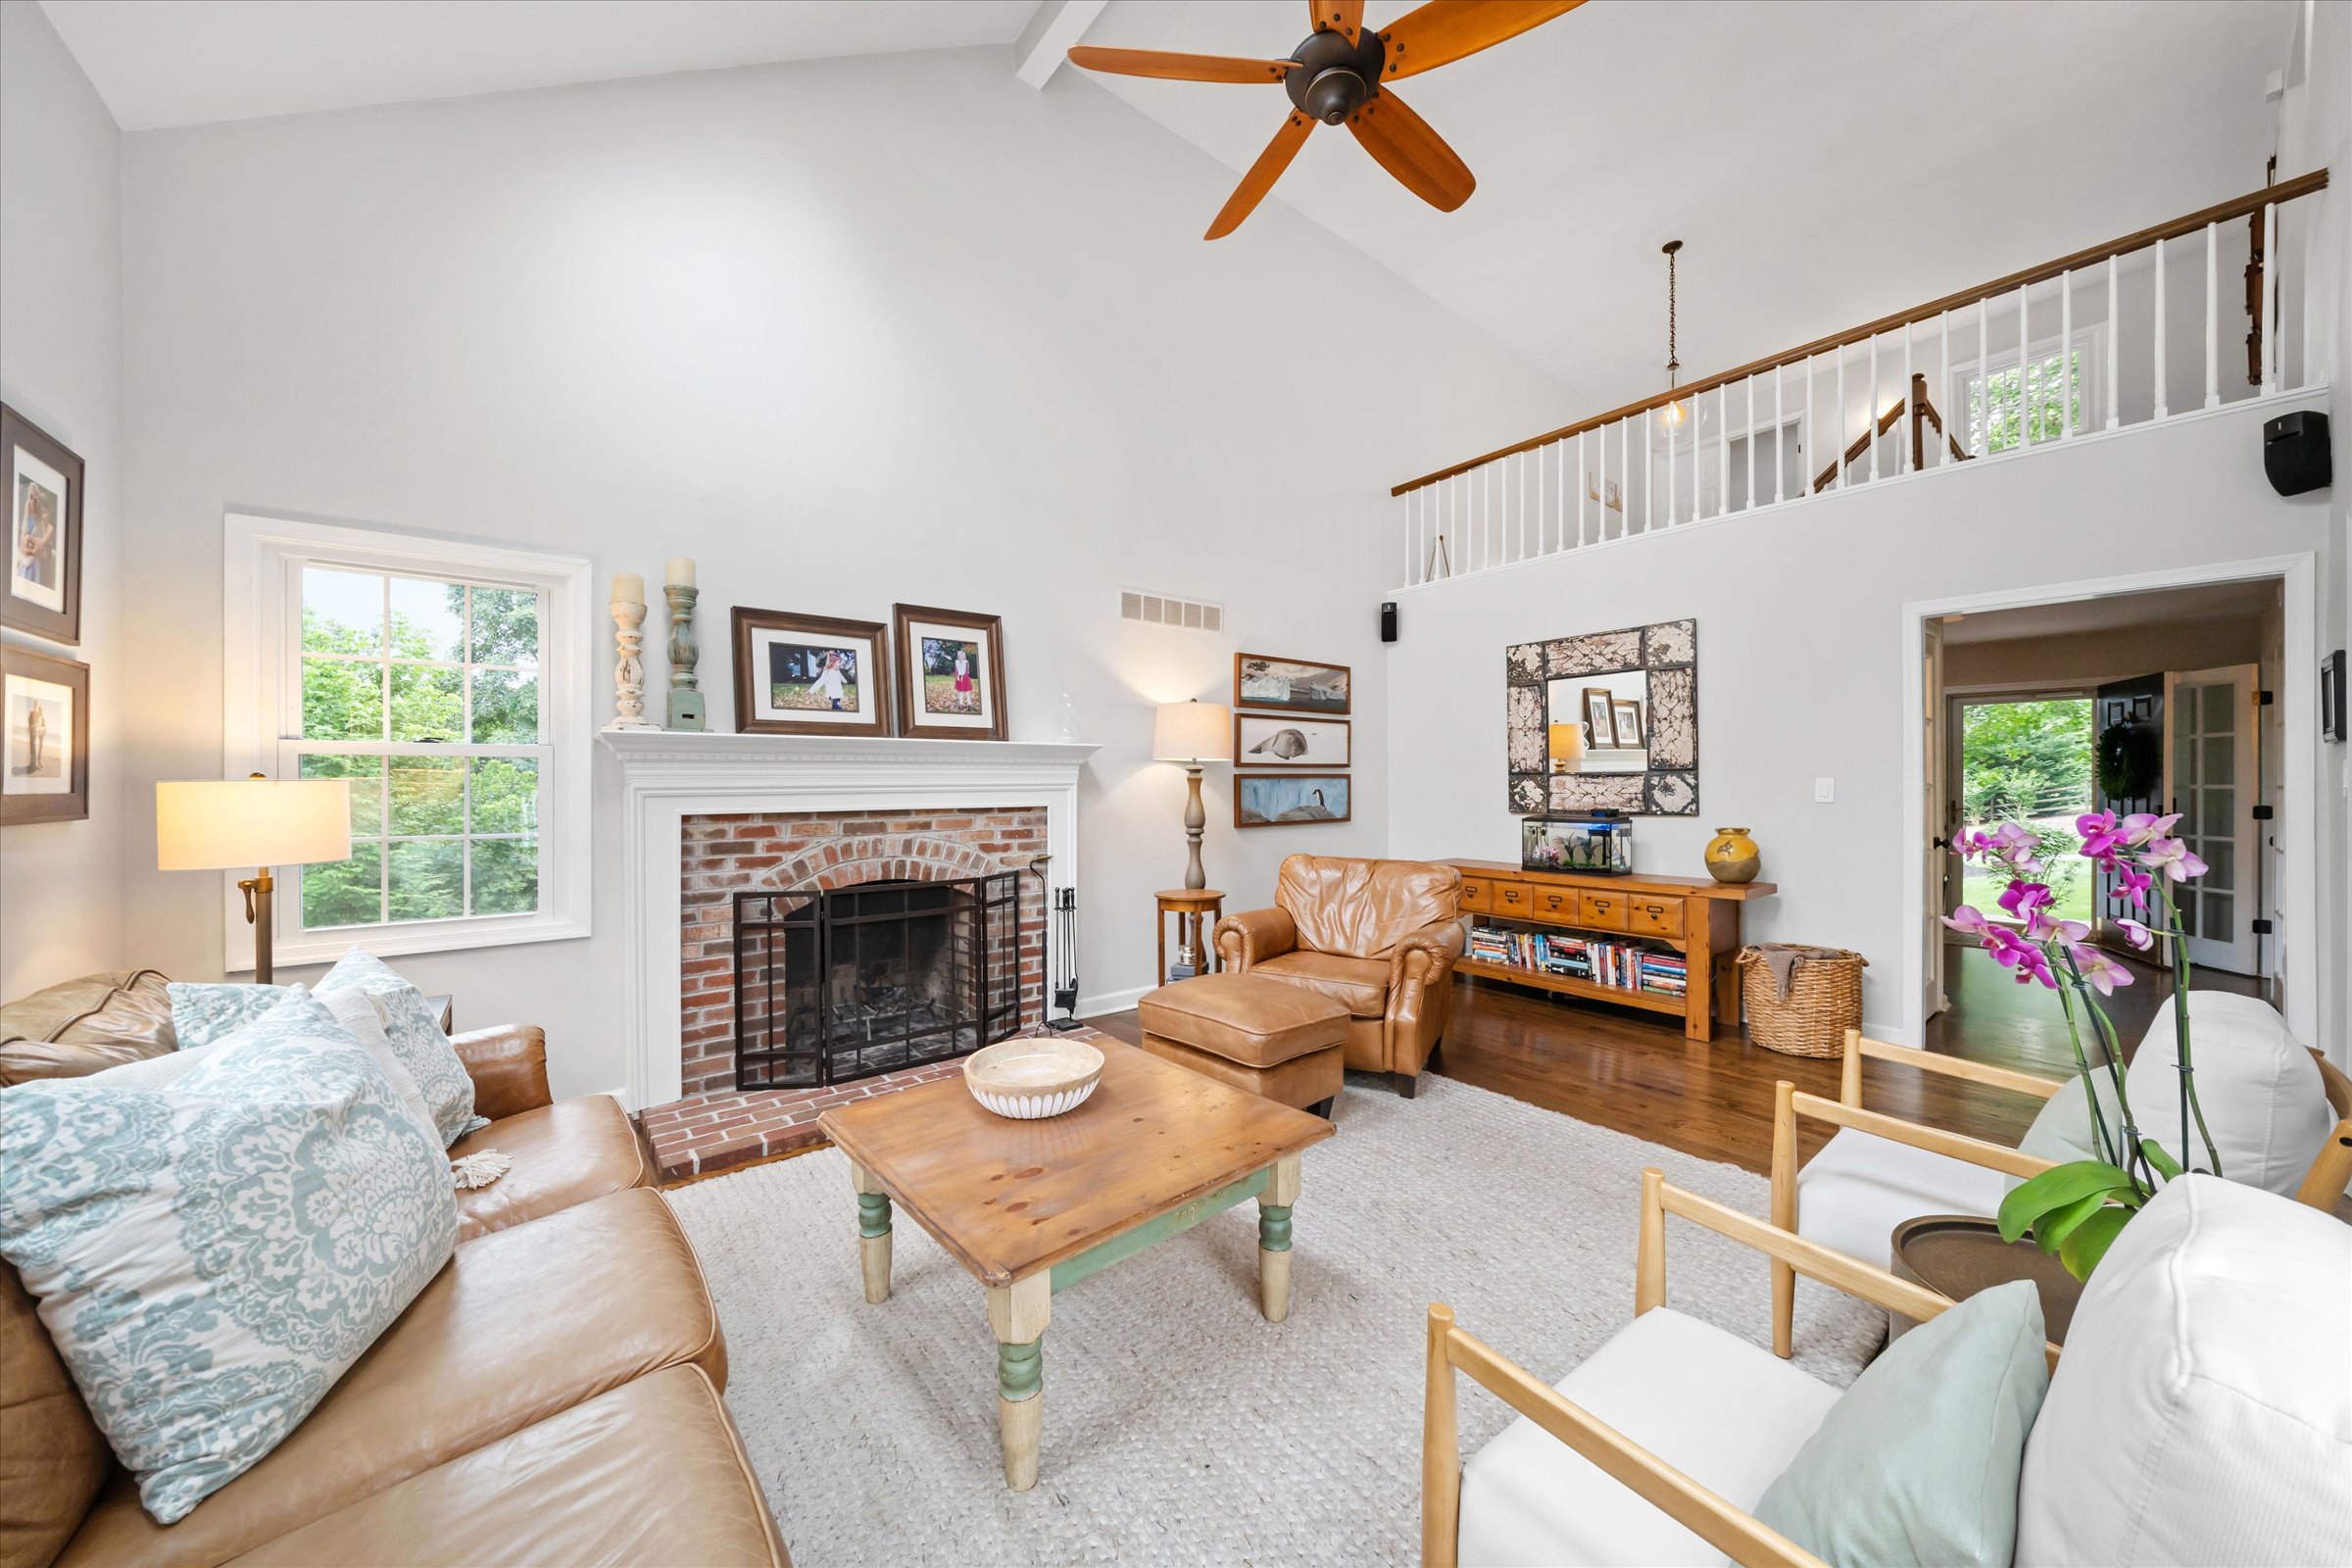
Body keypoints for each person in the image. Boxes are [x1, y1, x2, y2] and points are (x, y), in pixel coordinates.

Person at [24, 698, 46, 774]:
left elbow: (44, 725)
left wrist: (42, 729)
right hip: (33, 733)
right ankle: (32, 764)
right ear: (34, 705)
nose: (35, 705)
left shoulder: (41, 715)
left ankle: (38, 764)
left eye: (36, 703)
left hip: (40, 734)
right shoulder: (32, 713)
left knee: (39, 748)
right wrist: (31, 726)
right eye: (34, 703)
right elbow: (29, 722)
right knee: (32, 749)